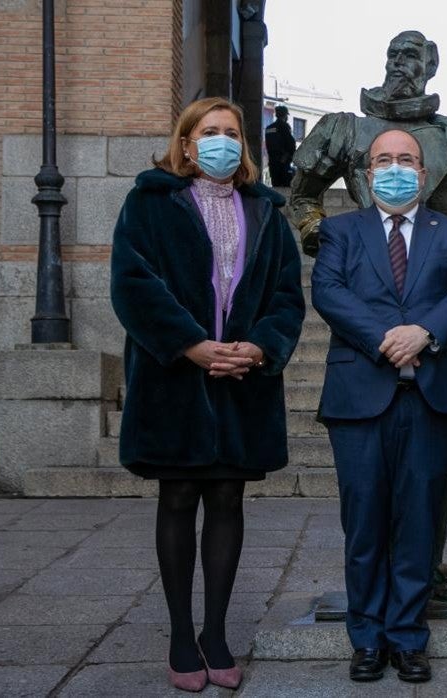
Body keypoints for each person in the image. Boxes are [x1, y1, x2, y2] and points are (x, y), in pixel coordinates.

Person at [290, 29, 447, 604]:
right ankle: (375, 591)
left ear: (432, 67)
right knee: (368, 484)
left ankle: (425, 574)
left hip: (444, 316)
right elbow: (302, 194)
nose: (402, 64)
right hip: (368, 308)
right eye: (396, 54)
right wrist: (323, 236)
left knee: (437, 473)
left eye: (415, 56)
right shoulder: (346, 132)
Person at [109, 97, 304, 692]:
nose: (221, 141)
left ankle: (215, 632)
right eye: (209, 132)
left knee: (227, 501)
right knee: (178, 498)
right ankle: (178, 634)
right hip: (175, 380)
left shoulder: (266, 209)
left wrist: (261, 347)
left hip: (242, 381)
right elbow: (131, 282)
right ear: (187, 143)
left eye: (231, 133)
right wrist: (190, 344)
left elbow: (287, 295)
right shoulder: (149, 201)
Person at [312, 128, 447, 684]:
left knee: (418, 521)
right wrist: (390, 335)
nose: (394, 168)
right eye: (383, 159)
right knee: (363, 523)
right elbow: (329, 292)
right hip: (360, 396)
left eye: (405, 160)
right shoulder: (340, 230)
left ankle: (408, 637)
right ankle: (366, 638)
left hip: (432, 396)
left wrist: (426, 332)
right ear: (366, 172)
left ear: (424, 173)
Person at [265, 105, 296, 186]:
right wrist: (289, 156)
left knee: (276, 185)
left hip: (272, 162)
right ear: (285, 115)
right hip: (283, 162)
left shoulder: (269, 128)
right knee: (286, 188)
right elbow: (291, 144)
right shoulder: (284, 127)